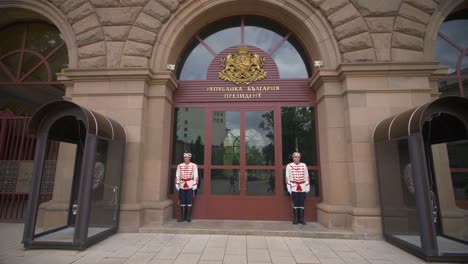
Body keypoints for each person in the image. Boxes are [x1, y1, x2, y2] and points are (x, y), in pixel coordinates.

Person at [285, 152, 310, 225]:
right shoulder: (289, 166)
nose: (297, 158)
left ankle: (301, 219)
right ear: (293, 158)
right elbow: (287, 177)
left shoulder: (304, 165)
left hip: (302, 187)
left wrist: (307, 186)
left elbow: (306, 176)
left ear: (300, 158)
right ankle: (295, 219)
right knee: (295, 203)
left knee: (301, 203)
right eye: (295, 157)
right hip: (294, 186)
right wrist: (289, 187)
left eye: (298, 157)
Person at [175, 152, 198, 222]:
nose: (186, 159)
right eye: (185, 157)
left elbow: (196, 176)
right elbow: (177, 175)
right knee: (182, 201)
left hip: (190, 185)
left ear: (190, 158)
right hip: (182, 185)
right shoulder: (179, 166)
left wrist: (194, 185)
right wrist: (177, 184)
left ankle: (188, 217)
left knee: (189, 201)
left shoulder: (194, 166)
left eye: (187, 157)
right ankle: (182, 217)